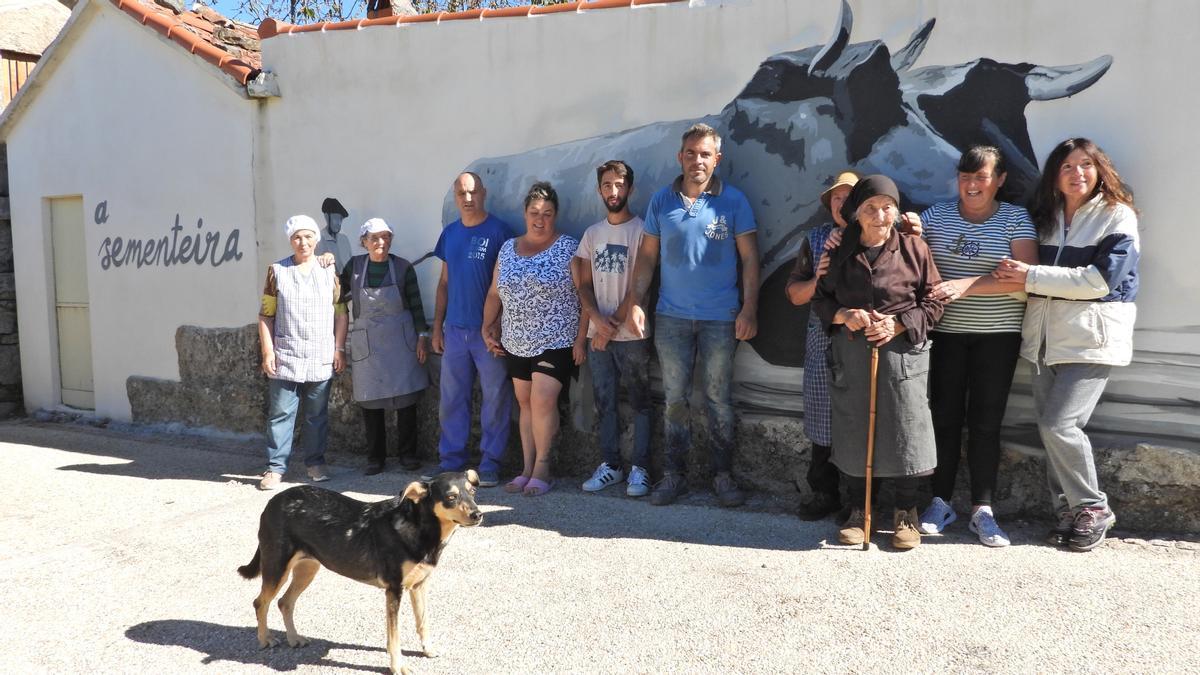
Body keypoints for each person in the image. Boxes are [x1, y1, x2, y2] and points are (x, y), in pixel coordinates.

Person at [993, 138, 1139, 552]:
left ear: (1099, 171)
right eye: (1068, 167)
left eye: (1086, 165)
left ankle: (1093, 507)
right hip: (1043, 340)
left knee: (1060, 425)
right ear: (1055, 177)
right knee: (1050, 429)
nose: (1078, 173)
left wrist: (1029, 276)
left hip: (1091, 339)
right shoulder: (1046, 219)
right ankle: (1069, 512)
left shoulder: (1116, 216)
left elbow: (1099, 282)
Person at [619, 123, 760, 508]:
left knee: (718, 398)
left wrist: (749, 309)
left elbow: (750, 260)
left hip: (721, 318)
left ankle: (722, 475)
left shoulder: (734, 201)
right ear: (680, 157)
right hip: (671, 318)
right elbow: (647, 257)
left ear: (717, 159)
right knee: (675, 399)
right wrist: (635, 302)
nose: (697, 160)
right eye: (691, 153)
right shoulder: (662, 202)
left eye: (705, 154)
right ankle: (673, 475)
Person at [912, 146, 1039, 547]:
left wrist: (962, 285)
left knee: (985, 423)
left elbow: (1023, 277)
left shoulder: (1016, 219)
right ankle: (939, 501)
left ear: (999, 180)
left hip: (997, 336)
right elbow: (916, 260)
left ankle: (983, 509)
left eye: (981, 177)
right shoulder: (937, 217)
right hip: (945, 334)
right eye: (965, 177)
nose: (971, 185)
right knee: (944, 419)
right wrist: (910, 227)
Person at [811, 175, 945, 550]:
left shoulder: (915, 249)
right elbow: (820, 300)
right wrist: (842, 315)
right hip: (853, 355)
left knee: (905, 430)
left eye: (887, 207)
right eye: (870, 208)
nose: (880, 215)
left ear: (898, 211)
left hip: (901, 356)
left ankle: (906, 513)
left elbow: (934, 302)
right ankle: (859, 511)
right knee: (855, 428)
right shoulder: (839, 251)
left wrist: (899, 323)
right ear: (856, 214)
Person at [482, 182, 586, 497]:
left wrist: (581, 339)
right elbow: (493, 293)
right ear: (525, 214)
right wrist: (487, 326)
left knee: (542, 399)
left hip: (556, 338)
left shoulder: (569, 246)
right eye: (534, 213)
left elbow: (586, 296)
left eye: (547, 213)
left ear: (556, 216)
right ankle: (526, 468)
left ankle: (543, 466)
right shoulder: (508, 248)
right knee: (525, 403)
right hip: (516, 340)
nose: (540, 219)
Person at [429, 172, 515, 487]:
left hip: (488, 333)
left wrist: (497, 327)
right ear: (455, 196)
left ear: (484, 193)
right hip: (454, 331)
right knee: (452, 399)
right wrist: (436, 327)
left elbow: (508, 284)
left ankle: (490, 465)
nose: (468, 199)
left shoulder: (501, 232)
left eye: (473, 192)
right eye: (462, 193)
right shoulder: (449, 234)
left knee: (495, 398)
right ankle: (451, 463)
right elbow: (443, 284)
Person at [575, 160, 652, 497]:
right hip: (599, 337)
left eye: (620, 185)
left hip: (632, 335)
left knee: (640, 402)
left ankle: (641, 469)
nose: (614, 191)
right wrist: (595, 320)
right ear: (599, 190)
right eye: (607, 185)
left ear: (630, 189)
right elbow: (583, 285)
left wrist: (612, 325)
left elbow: (641, 284)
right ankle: (611, 465)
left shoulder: (643, 230)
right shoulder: (592, 234)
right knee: (605, 401)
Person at [785, 171, 858, 520]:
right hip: (822, 341)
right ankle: (824, 492)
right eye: (837, 199)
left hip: (859, 341)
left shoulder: (878, 240)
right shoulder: (814, 241)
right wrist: (818, 277)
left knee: (859, 419)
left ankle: (858, 502)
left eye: (850, 197)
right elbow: (794, 295)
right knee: (821, 419)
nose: (843, 205)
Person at [257, 215, 348, 491]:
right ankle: (275, 468)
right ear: (290, 240)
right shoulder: (277, 271)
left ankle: (315, 463)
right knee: (281, 413)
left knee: (316, 415)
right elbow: (266, 315)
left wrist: (339, 348)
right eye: (297, 237)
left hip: (321, 353)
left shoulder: (329, 271)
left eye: (308, 236)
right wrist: (268, 351)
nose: (303, 242)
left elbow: (341, 313)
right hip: (287, 352)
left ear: (316, 240)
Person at [340, 218, 430, 476]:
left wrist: (422, 336)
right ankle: (375, 457)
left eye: (386, 237)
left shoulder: (402, 268)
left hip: (401, 341)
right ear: (363, 242)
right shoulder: (354, 268)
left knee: (406, 399)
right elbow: (335, 293)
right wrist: (325, 261)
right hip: (367, 342)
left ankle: (408, 454)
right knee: (371, 400)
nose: (382, 242)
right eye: (375, 238)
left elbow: (416, 305)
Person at [317, 197, 353, 275]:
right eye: (336, 218)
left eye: (341, 219)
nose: (339, 223)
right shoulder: (317, 240)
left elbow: (351, 265)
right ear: (326, 217)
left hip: (348, 285)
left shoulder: (344, 239)